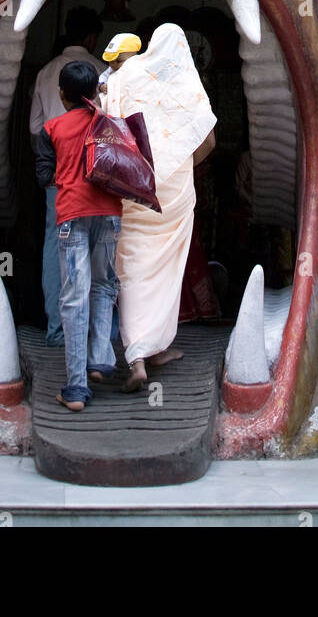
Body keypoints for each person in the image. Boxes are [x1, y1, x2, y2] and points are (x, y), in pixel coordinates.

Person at [103, 23, 216, 392]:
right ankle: (156, 347)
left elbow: (108, 125)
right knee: (167, 269)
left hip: (135, 186)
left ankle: (137, 356)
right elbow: (209, 142)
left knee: (131, 267)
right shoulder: (184, 82)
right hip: (175, 189)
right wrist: (179, 166)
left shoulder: (123, 77)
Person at [34, 60, 122, 411]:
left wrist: (67, 176)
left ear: (61, 94)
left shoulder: (51, 128)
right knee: (103, 285)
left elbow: (43, 176)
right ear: (93, 92)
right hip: (110, 213)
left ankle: (76, 388)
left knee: (74, 295)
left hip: (71, 214)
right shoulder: (109, 125)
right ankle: (100, 358)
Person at [29, 6, 105, 344]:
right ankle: (96, 334)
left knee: (55, 246)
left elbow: (34, 126)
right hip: (96, 177)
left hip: (57, 179)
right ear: (91, 38)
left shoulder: (45, 72)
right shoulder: (102, 71)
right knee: (97, 252)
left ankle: (57, 328)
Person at [96, 31, 141, 99]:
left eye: (119, 61)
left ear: (134, 56)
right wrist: (101, 86)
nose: (113, 65)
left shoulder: (140, 70)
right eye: (110, 61)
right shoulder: (110, 70)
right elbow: (99, 81)